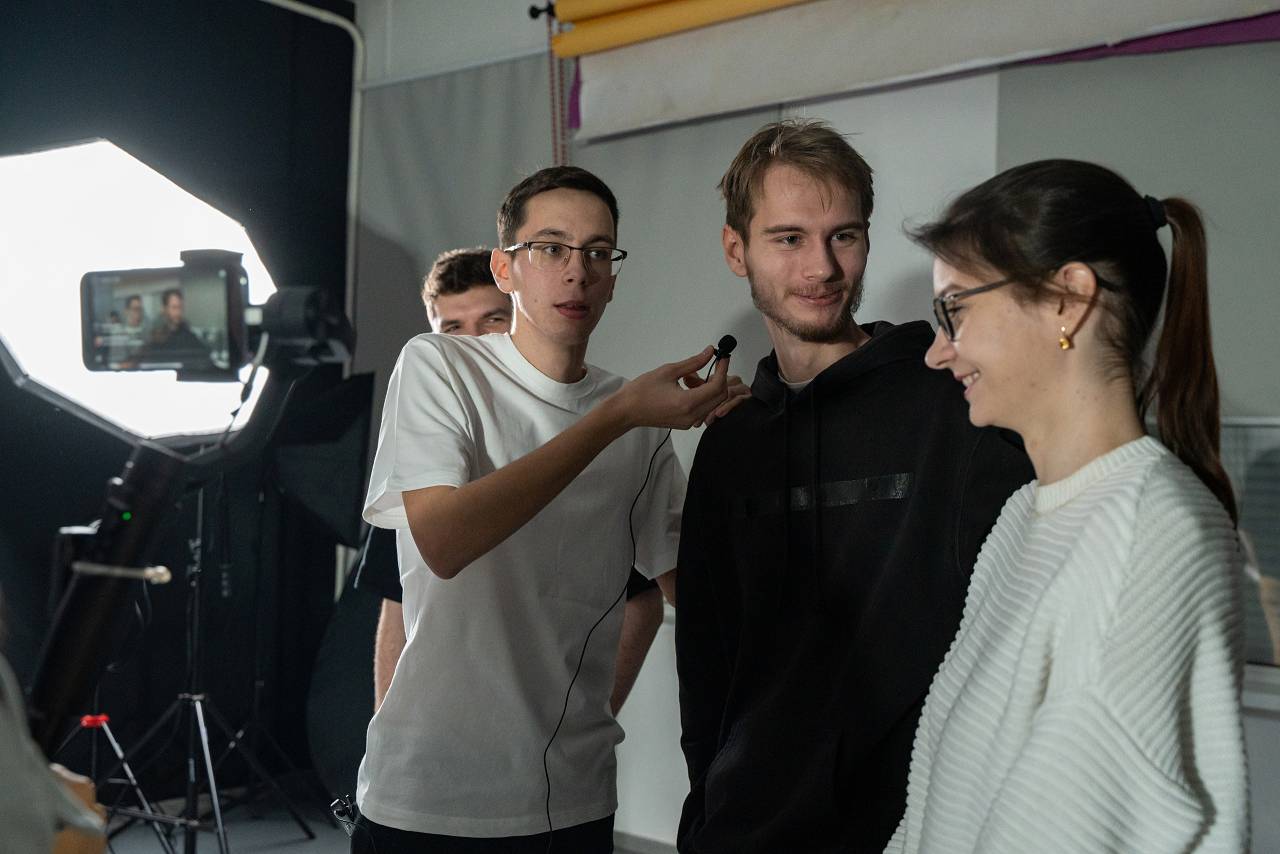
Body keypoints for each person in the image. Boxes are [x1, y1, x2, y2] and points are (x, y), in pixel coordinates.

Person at [354, 165, 737, 853]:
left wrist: (750, 453)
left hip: (572, 795)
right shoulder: (442, 366)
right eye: (551, 248)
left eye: (598, 252)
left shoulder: (639, 423)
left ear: (613, 278)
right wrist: (614, 418)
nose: (576, 271)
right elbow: (444, 542)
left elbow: (696, 599)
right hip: (429, 794)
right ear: (506, 267)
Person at [674, 119, 1032, 853]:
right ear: (736, 250)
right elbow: (706, 660)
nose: (823, 267)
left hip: (914, 833)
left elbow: (1021, 637)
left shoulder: (954, 409)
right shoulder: (731, 442)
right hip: (745, 831)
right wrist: (707, 806)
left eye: (844, 235)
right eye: (789, 238)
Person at [885, 160, 1247, 852]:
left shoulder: (1149, 532)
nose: (937, 353)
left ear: (1068, 299)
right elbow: (938, 803)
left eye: (954, 310)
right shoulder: (1023, 517)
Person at [352, 247, 664, 716]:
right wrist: (386, 722)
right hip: (433, 730)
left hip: (544, 733)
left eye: (491, 321)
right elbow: (396, 601)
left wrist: (586, 719)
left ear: (518, 312)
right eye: (452, 329)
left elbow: (645, 598)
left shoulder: (582, 433)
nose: (472, 342)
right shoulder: (423, 445)